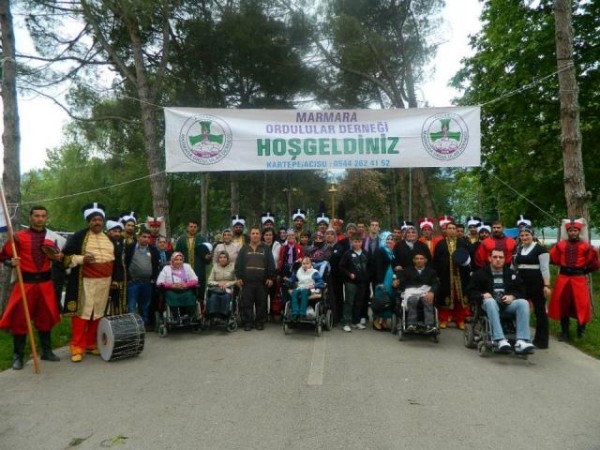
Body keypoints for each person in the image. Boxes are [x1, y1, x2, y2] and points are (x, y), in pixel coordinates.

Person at [0, 206, 62, 370]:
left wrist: (60, 257)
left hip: (45, 285)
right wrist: (11, 262)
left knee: (45, 318)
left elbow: (63, 257)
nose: (40, 219)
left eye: (43, 216)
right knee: (20, 320)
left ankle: (46, 351)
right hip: (25, 285)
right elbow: (3, 256)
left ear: (46, 218)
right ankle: (18, 356)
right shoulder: (18, 237)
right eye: (36, 216)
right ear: (30, 217)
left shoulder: (53, 237)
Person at [63, 202, 115, 362]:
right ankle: (77, 347)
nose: (97, 222)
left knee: (98, 313)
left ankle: (91, 343)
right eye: (94, 220)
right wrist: (82, 259)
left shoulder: (109, 238)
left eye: (100, 220)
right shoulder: (78, 237)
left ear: (103, 221)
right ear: (88, 221)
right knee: (83, 313)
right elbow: (64, 258)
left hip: (104, 282)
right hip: (85, 282)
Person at [468, 249, 535, 354]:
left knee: (523, 303)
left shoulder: (511, 273)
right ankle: (500, 339)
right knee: (490, 301)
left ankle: (521, 341)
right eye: (495, 257)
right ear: (490, 258)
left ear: (505, 259)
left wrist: (512, 296)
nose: (498, 260)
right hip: (487, 305)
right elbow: (470, 291)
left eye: (501, 257)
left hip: (506, 304)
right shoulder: (480, 274)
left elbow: (522, 291)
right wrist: (482, 295)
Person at [548, 219, 599, 341]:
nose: (572, 232)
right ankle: (564, 333)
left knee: (581, 305)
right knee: (563, 304)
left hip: (579, 279)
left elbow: (593, 263)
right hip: (563, 279)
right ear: (567, 232)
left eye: (575, 230)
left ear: (579, 232)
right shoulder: (560, 245)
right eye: (570, 230)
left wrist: (584, 270)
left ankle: (581, 332)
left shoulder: (586, 246)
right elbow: (552, 258)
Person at [512, 225, 551, 348]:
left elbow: (545, 269)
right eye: (522, 235)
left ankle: (541, 340)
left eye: (527, 235)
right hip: (521, 283)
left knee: (540, 311)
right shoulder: (519, 249)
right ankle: (520, 337)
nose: (524, 237)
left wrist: (546, 285)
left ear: (532, 235)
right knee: (520, 309)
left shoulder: (541, 249)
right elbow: (514, 266)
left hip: (536, 283)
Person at [235, 227, 276, 331]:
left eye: (257, 233)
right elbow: (238, 263)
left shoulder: (266, 248)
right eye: (253, 233)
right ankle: (248, 323)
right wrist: (238, 277)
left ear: (260, 235)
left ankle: (259, 322)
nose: (255, 235)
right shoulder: (244, 248)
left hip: (262, 282)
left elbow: (271, 263)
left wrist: (270, 277)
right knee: (247, 303)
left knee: (261, 303)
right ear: (250, 235)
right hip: (247, 282)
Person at [433, 221, 471, 329]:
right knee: (446, 296)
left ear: (456, 230)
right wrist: (437, 274)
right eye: (449, 228)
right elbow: (436, 260)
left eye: (454, 228)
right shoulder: (440, 244)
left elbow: (468, 259)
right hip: (445, 276)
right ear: (446, 230)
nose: (452, 230)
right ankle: (444, 319)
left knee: (459, 298)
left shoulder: (462, 243)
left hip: (461, 276)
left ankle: (460, 320)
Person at [125, 228, 160, 328]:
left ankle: (144, 325)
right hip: (133, 282)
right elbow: (125, 263)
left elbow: (155, 265)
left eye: (148, 237)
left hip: (147, 282)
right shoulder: (130, 248)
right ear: (138, 237)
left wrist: (153, 278)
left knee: (145, 305)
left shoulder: (153, 250)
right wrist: (128, 278)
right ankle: (132, 327)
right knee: (131, 305)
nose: (146, 239)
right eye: (144, 237)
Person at [398, 251, 439, 333]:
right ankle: (411, 324)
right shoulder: (407, 271)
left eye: (421, 258)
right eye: (417, 259)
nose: (419, 260)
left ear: (425, 260)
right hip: (411, 292)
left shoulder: (431, 272)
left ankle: (429, 325)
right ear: (414, 260)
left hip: (425, 292)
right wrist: (397, 281)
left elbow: (435, 283)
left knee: (427, 300)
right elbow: (402, 282)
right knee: (412, 300)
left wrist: (432, 292)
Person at [339, 232, 370, 332]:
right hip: (350, 282)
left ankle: (355, 321)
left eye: (359, 241)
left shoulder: (365, 253)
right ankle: (346, 322)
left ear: (362, 242)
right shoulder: (347, 254)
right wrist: (349, 274)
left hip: (362, 283)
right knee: (349, 302)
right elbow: (341, 267)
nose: (357, 243)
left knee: (359, 302)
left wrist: (367, 277)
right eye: (355, 241)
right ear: (352, 242)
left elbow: (370, 267)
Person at [174, 220, 212, 301]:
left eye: (195, 227)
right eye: (191, 227)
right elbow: (176, 255)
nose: (193, 229)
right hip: (184, 271)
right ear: (187, 227)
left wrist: (208, 258)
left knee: (199, 294)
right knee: (185, 293)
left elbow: (207, 257)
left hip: (199, 271)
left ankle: (200, 307)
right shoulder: (181, 240)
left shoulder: (202, 240)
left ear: (197, 228)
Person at [156, 252, 199, 318]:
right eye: (176, 260)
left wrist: (186, 285)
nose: (179, 262)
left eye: (180, 260)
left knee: (190, 296)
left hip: (185, 290)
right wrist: (172, 285)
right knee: (171, 297)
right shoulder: (166, 268)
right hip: (172, 291)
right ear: (172, 260)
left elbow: (195, 280)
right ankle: (176, 317)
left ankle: (190, 316)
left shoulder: (187, 267)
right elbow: (159, 283)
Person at [372, 231, 397, 331]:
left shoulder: (391, 251)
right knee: (381, 299)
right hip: (383, 279)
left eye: (391, 239)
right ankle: (376, 321)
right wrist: (379, 282)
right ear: (383, 240)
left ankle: (384, 321)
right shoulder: (380, 251)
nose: (389, 241)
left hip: (390, 278)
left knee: (389, 299)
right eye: (387, 239)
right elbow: (378, 267)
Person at [105, 218, 127, 316]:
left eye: (119, 231)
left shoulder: (119, 243)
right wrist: (113, 279)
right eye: (114, 231)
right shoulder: (106, 244)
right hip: (109, 277)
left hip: (120, 277)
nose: (117, 234)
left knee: (118, 301)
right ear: (108, 231)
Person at [206, 251, 236, 320]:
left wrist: (227, 283)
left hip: (228, 289)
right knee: (214, 296)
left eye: (224, 257)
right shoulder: (215, 267)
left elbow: (236, 280)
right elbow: (209, 281)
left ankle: (224, 316)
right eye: (220, 257)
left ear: (228, 259)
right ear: (218, 259)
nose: (222, 259)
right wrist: (218, 283)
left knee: (226, 296)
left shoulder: (233, 266)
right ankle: (214, 315)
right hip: (216, 288)